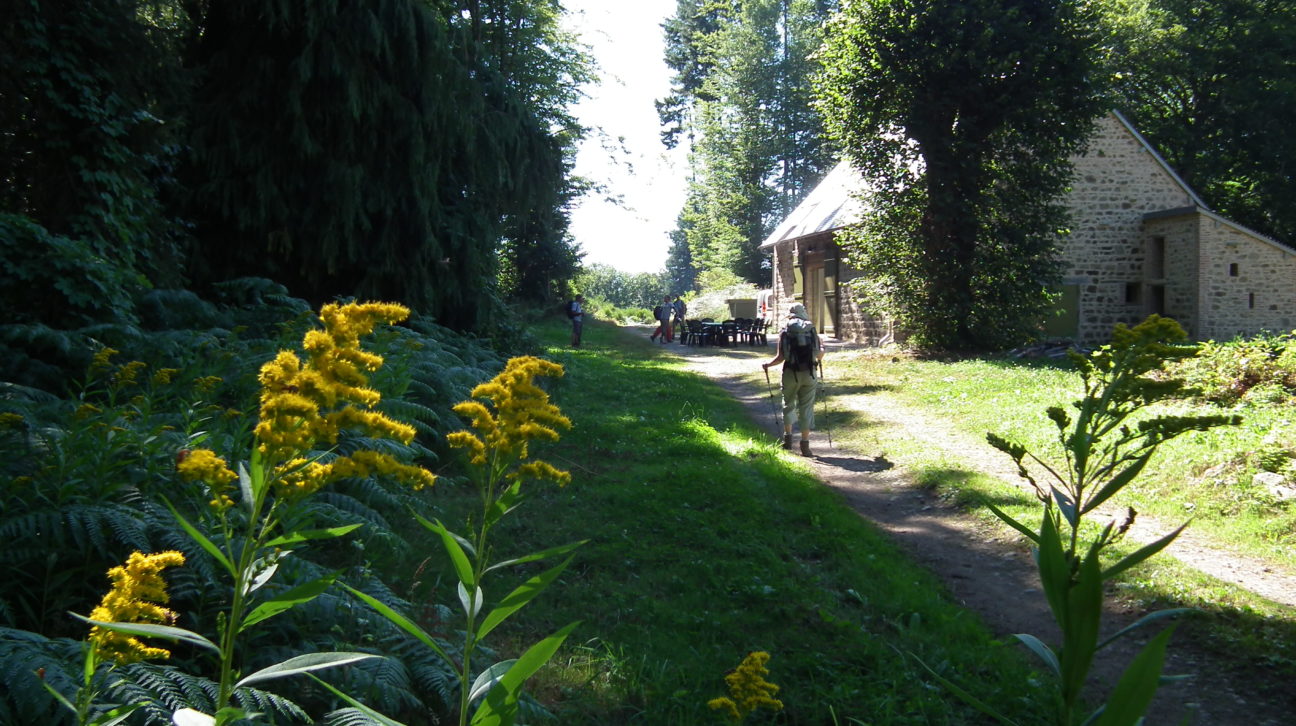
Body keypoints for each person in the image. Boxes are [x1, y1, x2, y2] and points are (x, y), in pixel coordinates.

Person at [761, 303, 825, 456]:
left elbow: (780, 357)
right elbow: (819, 354)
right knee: (806, 407)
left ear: (790, 315)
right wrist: (822, 350)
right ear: (803, 314)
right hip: (810, 373)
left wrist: (767, 365)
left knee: (788, 403)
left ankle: (788, 439)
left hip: (790, 372)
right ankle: (805, 444)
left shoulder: (785, 332)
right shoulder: (811, 330)